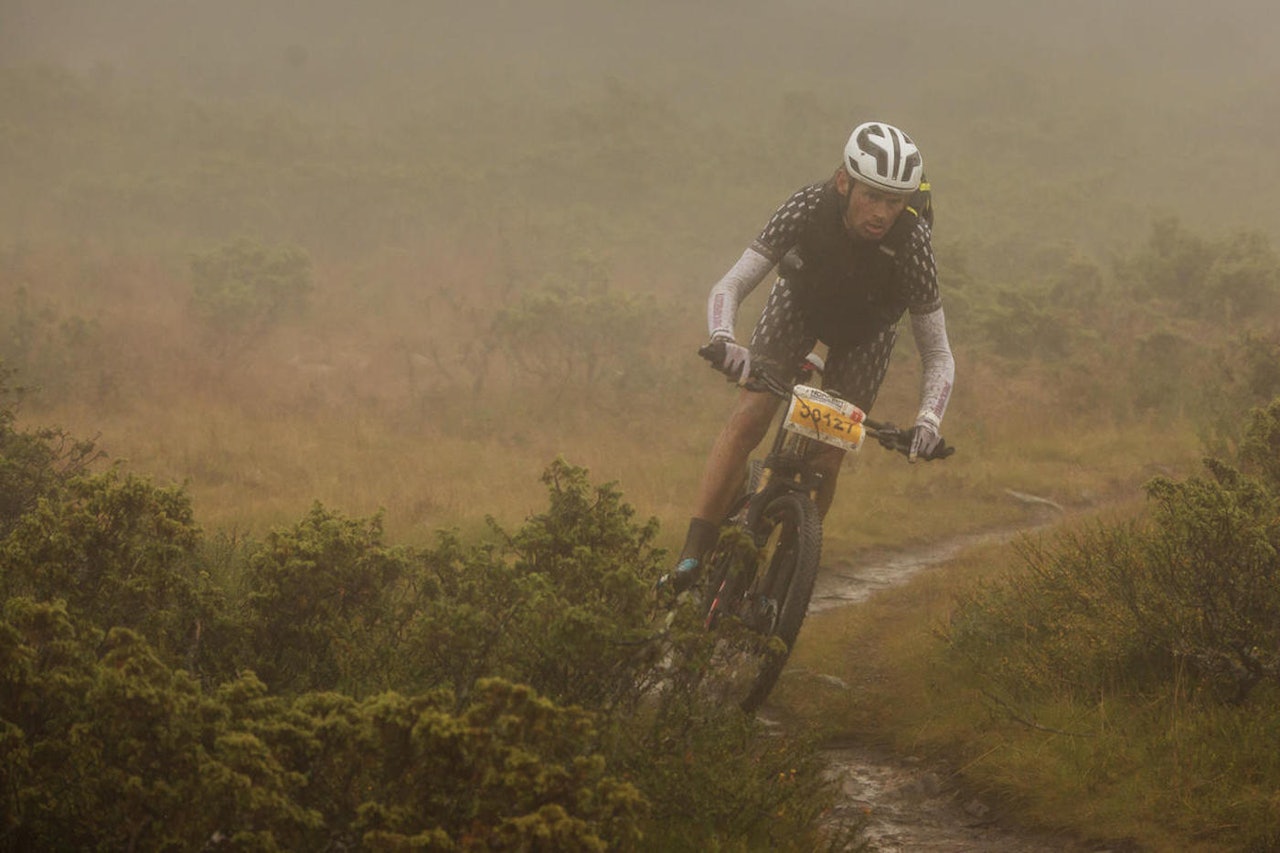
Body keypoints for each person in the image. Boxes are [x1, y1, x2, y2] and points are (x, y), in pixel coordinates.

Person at [663, 121, 955, 593]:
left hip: (866, 335)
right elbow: (732, 284)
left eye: (895, 202)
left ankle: (786, 578)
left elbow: (938, 353)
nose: (883, 213)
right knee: (752, 415)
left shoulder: (913, 242)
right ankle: (691, 556)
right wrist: (724, 338)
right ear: (844, 182)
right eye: (872, 196)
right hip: (799, 307)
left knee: (826, 459)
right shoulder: (807, 205)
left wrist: (928, 420)